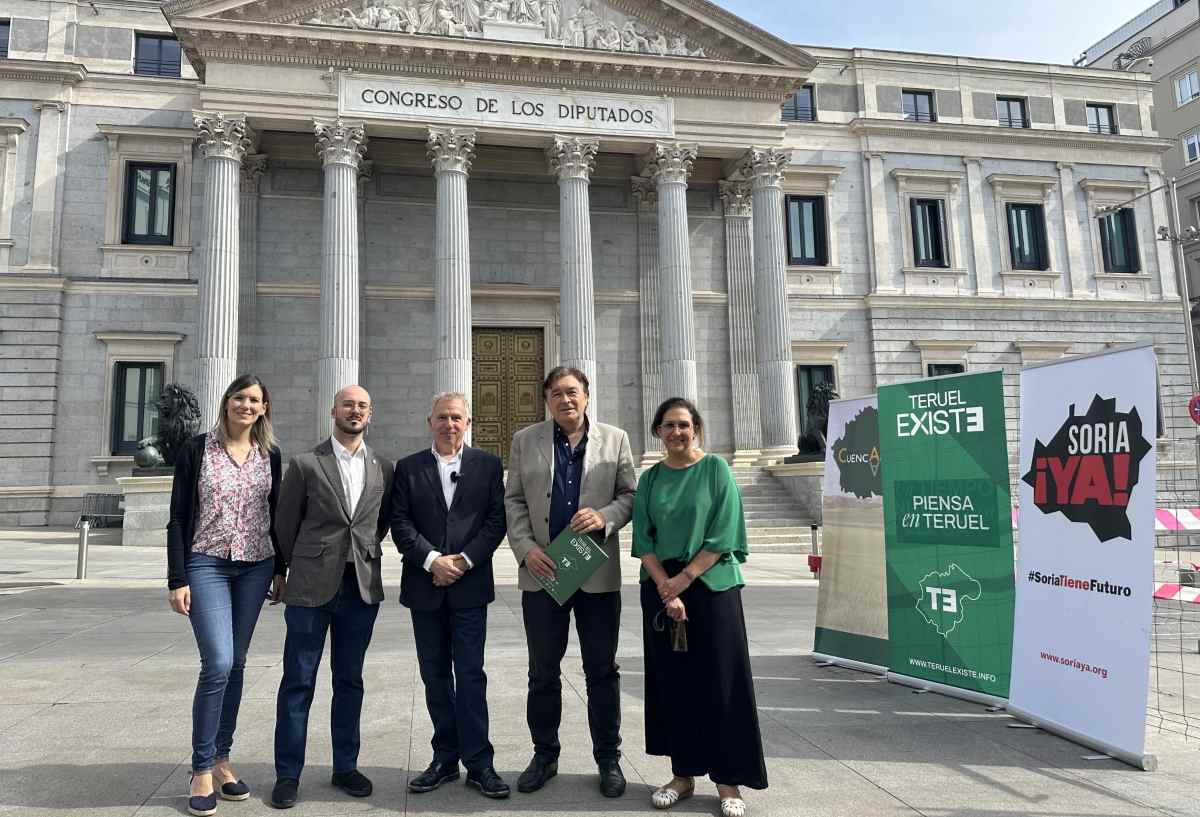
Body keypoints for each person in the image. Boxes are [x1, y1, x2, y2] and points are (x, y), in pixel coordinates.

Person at [631, 397, 767, 817]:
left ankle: (729, 782)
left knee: (722, 682)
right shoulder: (650, 478)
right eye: (668, 426)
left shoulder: (716, 470)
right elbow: (643, 539)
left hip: (711, 586)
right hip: (661, 586)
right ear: (657, 432)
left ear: (697, 429)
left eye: (684, 425)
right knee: (675, 684)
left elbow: (724, 532)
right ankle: (683, 774)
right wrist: (665, 590)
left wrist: (682, 583)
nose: (676, 432)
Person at [505, 367, 637, 798]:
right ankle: (545, 754)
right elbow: (514, 501)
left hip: (595, 573)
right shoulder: (526, 440)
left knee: (602, 670)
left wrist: (606, 517)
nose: (566, 400)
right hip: (543, 572)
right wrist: (526, 550)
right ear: (547, 399)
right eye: (557, 393)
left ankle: (608, 759)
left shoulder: (615, 439)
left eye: (573, 392)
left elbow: (630, 496)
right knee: (542, 670)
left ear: (586, 396)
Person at [269, 385, 394, 809]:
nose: (354, 411)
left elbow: (379, 524)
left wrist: (358, 553)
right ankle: (288, 772)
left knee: (350, 681)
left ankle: (345, 766)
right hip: (309, 585)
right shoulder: (306, 464)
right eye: (347, 404)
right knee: (298, 680)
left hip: (359, 585)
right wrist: (280, 571)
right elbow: (285, 523)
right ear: (333, 410)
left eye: (362, 405)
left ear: (370, 413)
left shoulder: (383, 467)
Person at [166, 375, 285, 817]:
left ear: (264, 407)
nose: (247, 405)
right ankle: (200, 766)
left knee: (236, 662)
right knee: (216, 661)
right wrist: (176, 578)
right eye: (240, 398)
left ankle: (221, 758)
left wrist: (280, 569)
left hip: (256, 565)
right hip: (206, 562)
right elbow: (178, 516)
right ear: (227, 402)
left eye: (255, 399)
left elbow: (275, 514)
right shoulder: (197, 449)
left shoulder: (270, 455)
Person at [390, 392, 510, 799]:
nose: (449, 424)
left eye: (456, 417)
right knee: (435, 675)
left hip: (470, 588)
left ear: (468, 422)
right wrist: (431, 561)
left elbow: (496, 522)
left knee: (471, 675)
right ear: (430, 421)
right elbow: (400, 522)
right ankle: (444, 758)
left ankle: (480, 762)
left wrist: (464, 561)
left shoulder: (489, 465)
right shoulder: (408, 468)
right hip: (425, 589)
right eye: (442, 417)